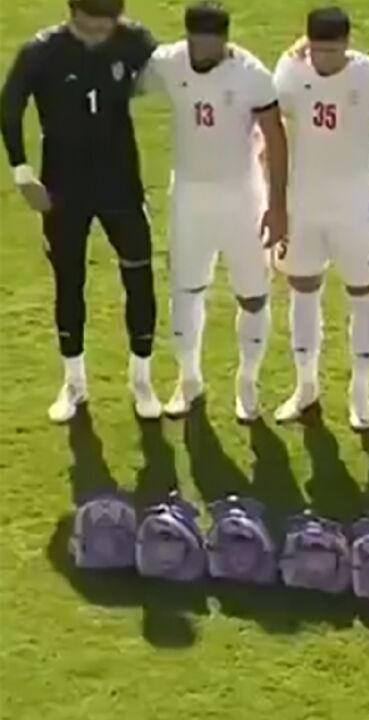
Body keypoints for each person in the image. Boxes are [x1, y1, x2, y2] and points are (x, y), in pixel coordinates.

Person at [1, 0, 160, 422]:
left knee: (139, 274)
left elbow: (180, 71)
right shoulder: (42, 51)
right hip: (64, 188)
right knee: (69, 280)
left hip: (121, 184)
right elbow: (10, 103)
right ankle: (74, 383)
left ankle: (141, 378)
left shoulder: (135, 40)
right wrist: (20, 168)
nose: (98, 36)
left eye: (106, 27)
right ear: (71, 15)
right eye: (89, 28)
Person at [142, 0, 288, 422]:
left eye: (212, 42)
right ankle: (188, 381)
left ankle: (247, 384)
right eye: (196, 41)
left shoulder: (250, 74)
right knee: (186, 289)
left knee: (253, 294)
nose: (203, 51)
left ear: (225, 39)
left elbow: (275, 138)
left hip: (242, 194)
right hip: (189, 193)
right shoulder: (168, 62)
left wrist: (278, 205)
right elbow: (124, 76)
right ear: (187, 36)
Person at [271, 6, 369, 430]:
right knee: (302, 290)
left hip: (355, 209)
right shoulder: (290, 72)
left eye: (333, 50)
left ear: (347, 44)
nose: (324, 59)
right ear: (307, 44)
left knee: (363, 292)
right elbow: (270, 114)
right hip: (303, 205)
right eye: (317, 50)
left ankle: (360, 392)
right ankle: (305, 387)